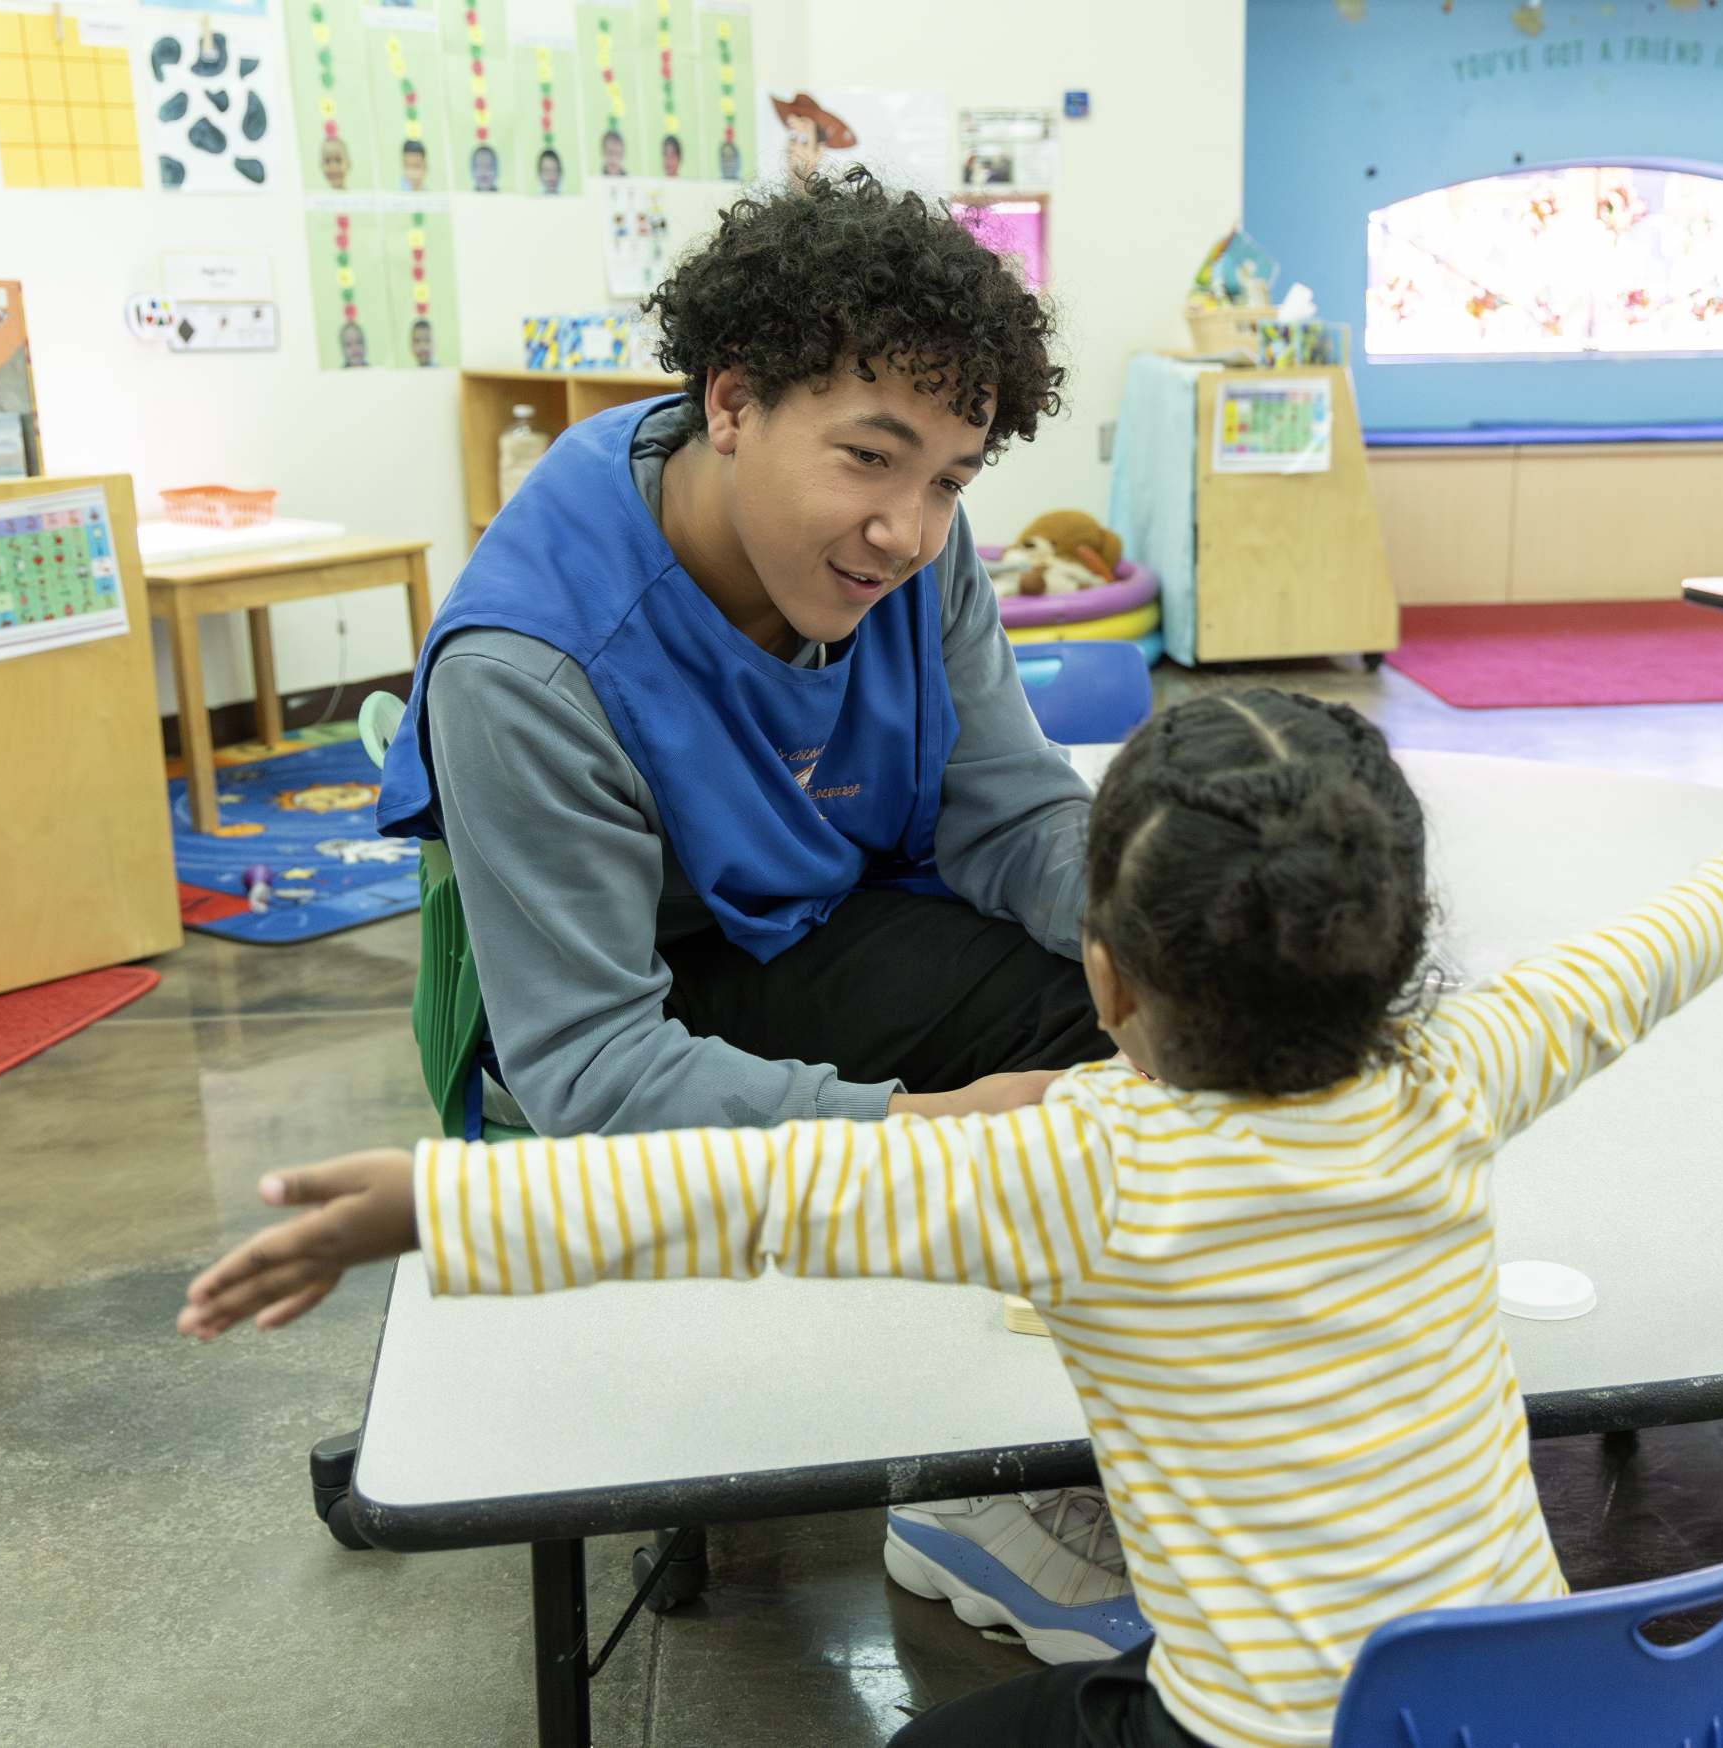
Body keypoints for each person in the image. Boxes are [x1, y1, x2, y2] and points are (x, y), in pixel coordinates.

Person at [179, 718, 1723, 1747]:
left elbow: (752, 1193)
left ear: (1099, 980)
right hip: (1523, 1708)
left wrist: (438, 1197)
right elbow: (1620, 972)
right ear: (1407, 953)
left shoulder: (1079, 1163)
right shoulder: (1454, 1077)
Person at [355, 167, 1143, 1658]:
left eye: (952, 479)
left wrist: (1184, 934)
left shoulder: (914, 546)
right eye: (870, 460)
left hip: (817, 919)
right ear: (730, 403)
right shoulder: (533, 664)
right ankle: (973, 1486)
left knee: (1136, 1013)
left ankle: (1055, 1426)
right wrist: (914, 1137)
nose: (908, 530)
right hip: (645, 1003)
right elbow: (589, 1069)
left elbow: (1010, 811)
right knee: (1052, 1084)